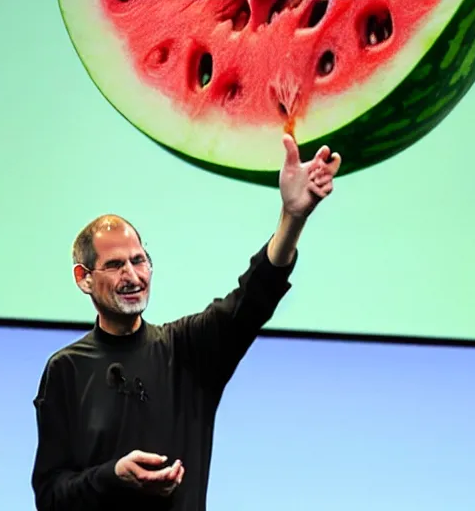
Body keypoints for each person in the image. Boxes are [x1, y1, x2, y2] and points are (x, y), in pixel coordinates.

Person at [30, 134, 342, 511]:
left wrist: (292, 216)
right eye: (114, 265)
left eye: (139, 260)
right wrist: (113, 476)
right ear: (84, 278)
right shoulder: (65, 369)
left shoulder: (188, 351)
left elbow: (253, 298)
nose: (132, 275)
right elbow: (49, 497)